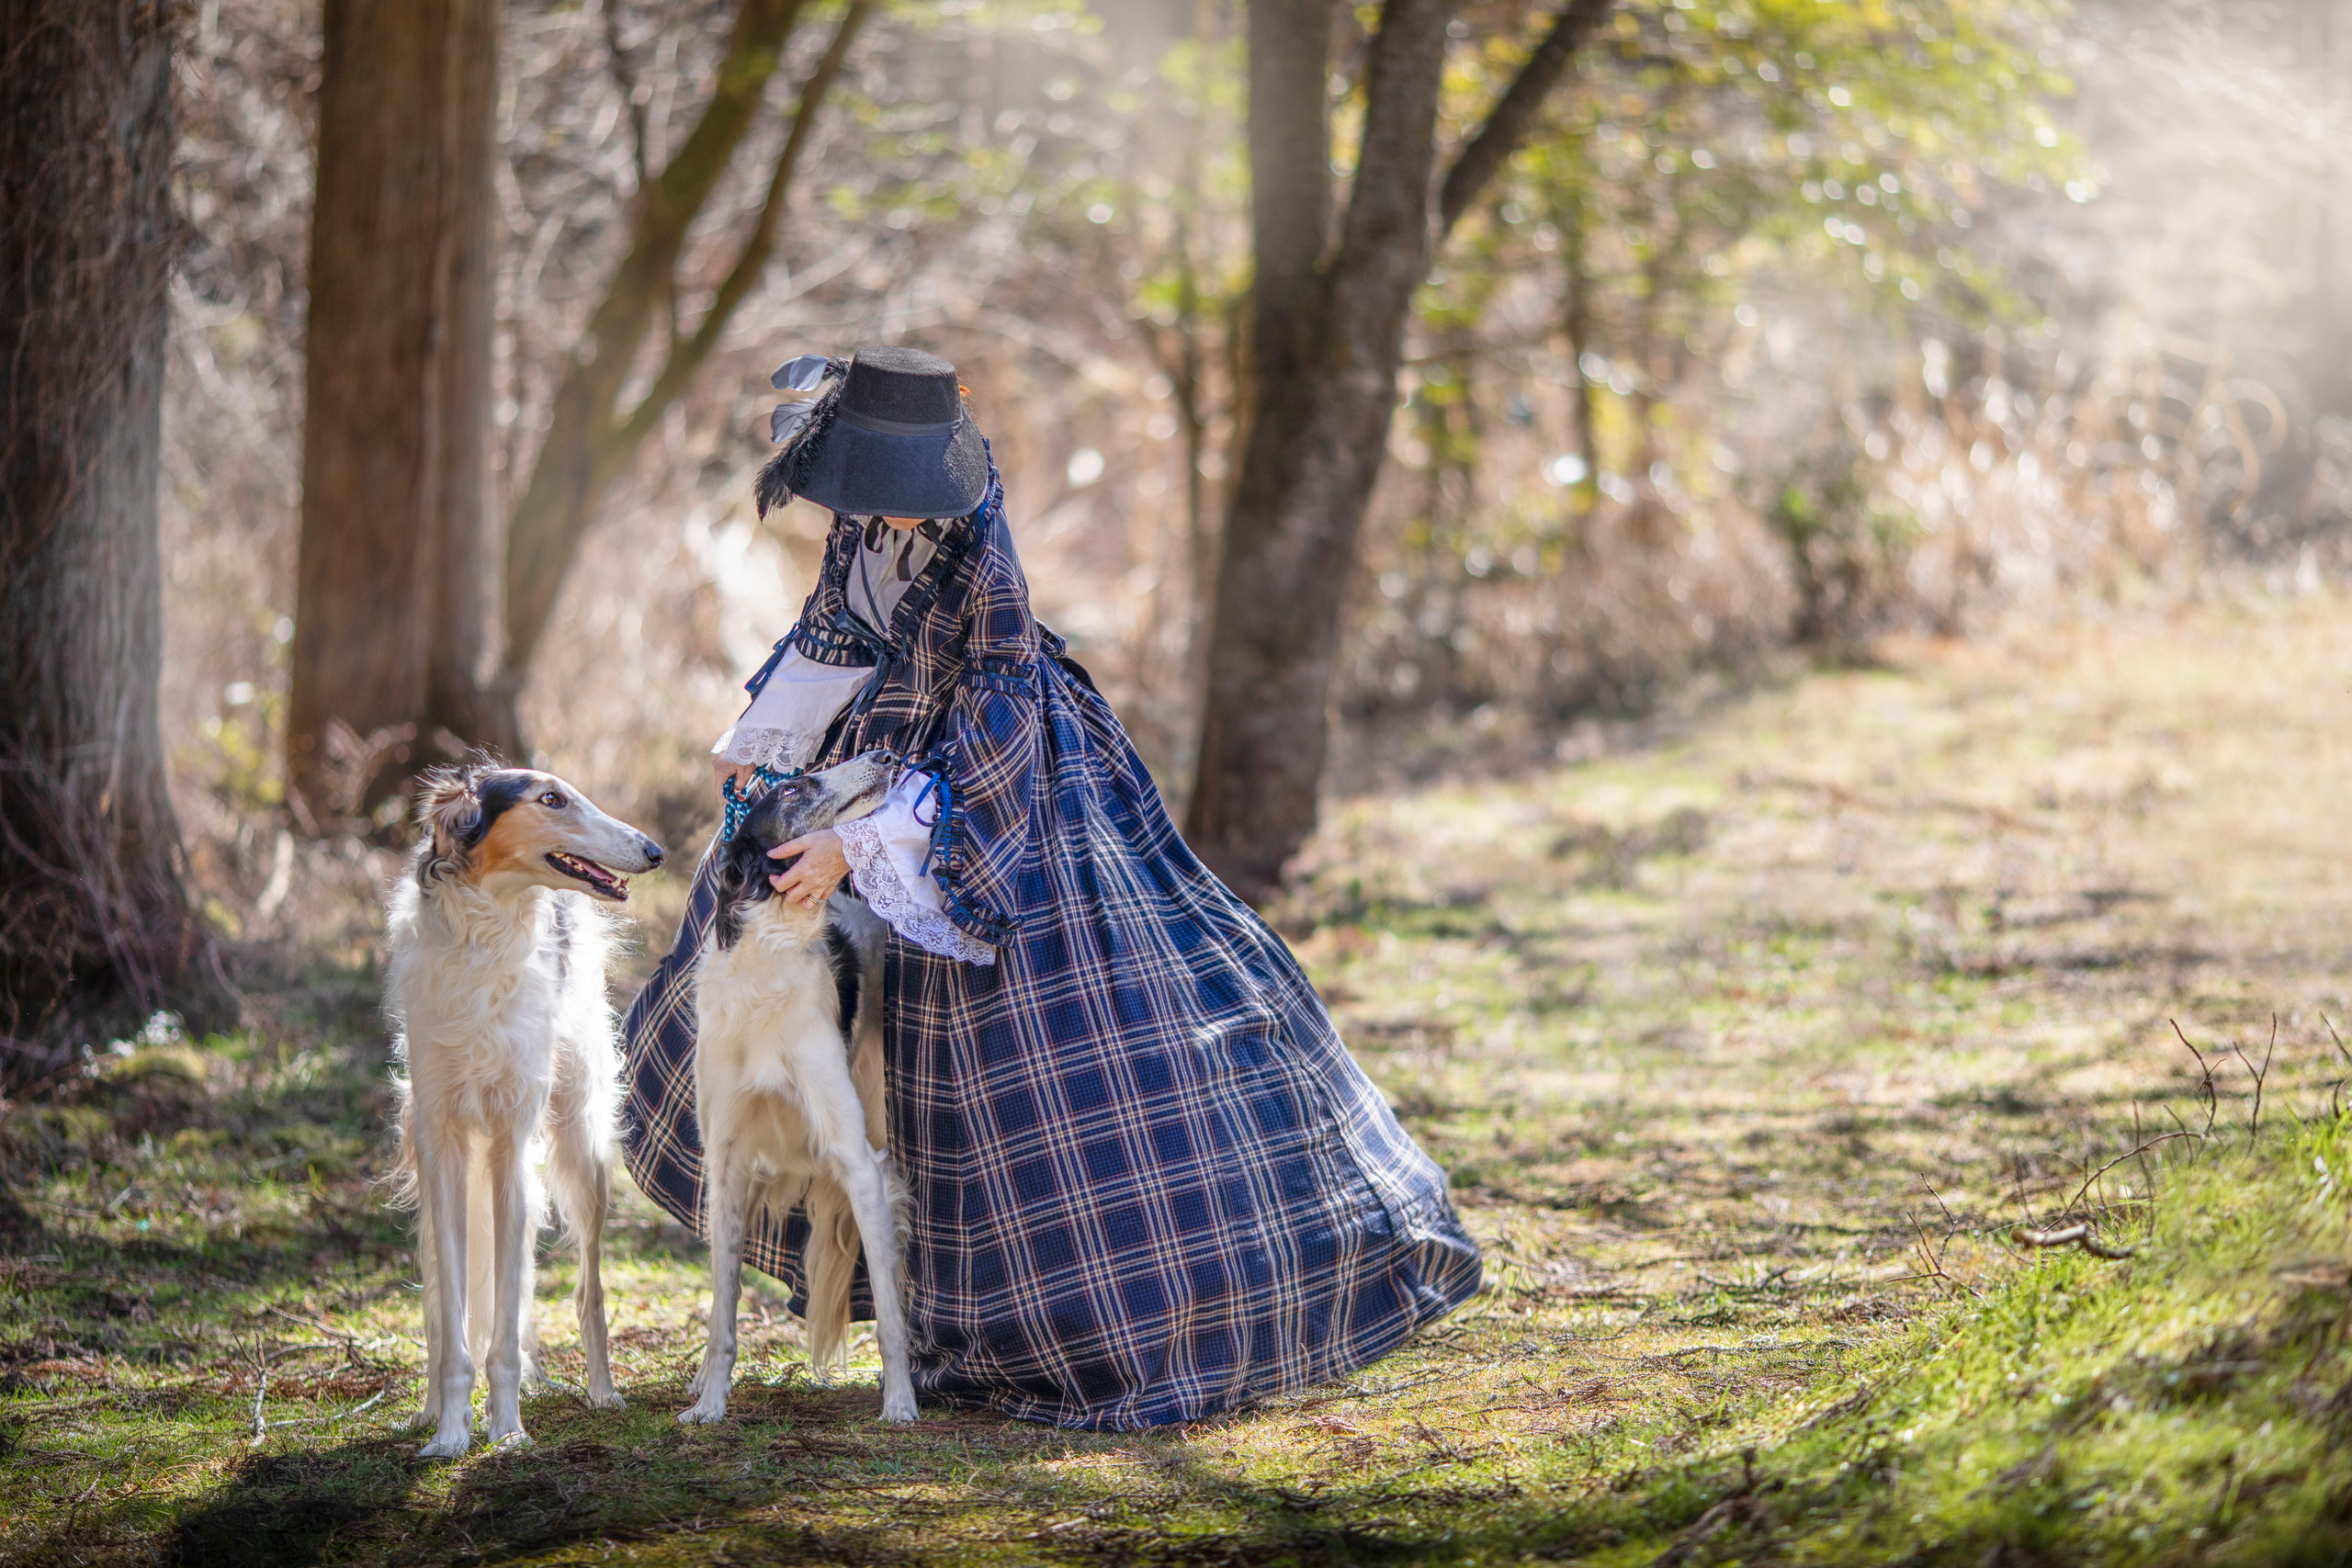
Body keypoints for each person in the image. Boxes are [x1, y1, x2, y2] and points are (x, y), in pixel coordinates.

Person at [622, 345, 1481, 1430]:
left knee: (1018, 1060)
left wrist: (867, 844)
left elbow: (995, 721)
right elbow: (834, 631)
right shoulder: (859, 514)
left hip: (986, 785)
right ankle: (899, 1302)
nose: (874, 503)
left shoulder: (977, 536)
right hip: (864, 757)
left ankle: (1054, 1321)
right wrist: (762, 744)